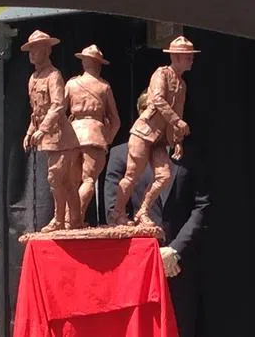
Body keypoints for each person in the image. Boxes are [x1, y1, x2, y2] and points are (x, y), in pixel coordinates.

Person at [104, 89, 210, 337]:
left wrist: (174, 250)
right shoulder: (120, 155)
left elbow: (202, 205)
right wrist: (149, 254)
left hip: (178, 265)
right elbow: (113, 212)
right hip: (136, 265)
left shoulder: (189, 155)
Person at [107, 36, 200, 226]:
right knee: (132, 174)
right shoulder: (161, 73)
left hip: (160, 139)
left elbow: (179, 114)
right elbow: (157, 99)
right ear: (176, 57)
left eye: (191, 56)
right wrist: (177, 121)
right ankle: (117, 214)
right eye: (188, 56)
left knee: (164, 176)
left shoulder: (182, 85)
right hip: (144, 132)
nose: (191, 59)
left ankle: (143, 212)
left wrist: (178, 141)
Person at [21, 30, 82, 232]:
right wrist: (31, 132)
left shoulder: (54, 75)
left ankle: (59, 220)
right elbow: (36, 111)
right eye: (29, 50)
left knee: (55, 177)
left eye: (35, 49)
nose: (31, 54)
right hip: (48, 137)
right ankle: (75, 219)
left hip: (61, 136)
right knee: (65, 181)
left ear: (46, 50)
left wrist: (43, 130)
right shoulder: (33, 78)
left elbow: (57, 105)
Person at [65, 44, 120, 221]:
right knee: (88, 180)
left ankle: (69, 218)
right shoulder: (104, 87)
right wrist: (108, 139)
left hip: (73, 135)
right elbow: (116, 120)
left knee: (71, 182)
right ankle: (73, 219)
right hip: (95, 135)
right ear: (98, 64)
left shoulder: (71, 84)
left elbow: (59, 111)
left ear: (84, 63)